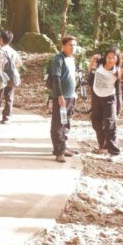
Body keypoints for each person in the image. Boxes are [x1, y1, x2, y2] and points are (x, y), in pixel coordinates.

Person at [87, 47, 123, 156]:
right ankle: (103, 146)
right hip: (96, 97)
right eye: (108, 57)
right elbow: (90, 71)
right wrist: (92, 61)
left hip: (109, 99)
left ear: (117, 60)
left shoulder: (117, 71)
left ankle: (114, 151)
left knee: (110, 124)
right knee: (96, 123)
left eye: (113, 58)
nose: (110, 60)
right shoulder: (99, 63)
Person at [49, 35, 78, 163]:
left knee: (66, 123)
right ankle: (59, 151)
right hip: (61, 97)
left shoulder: (71, 59)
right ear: (64, 46)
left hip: (71, 96)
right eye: (71, 45)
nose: (73, 47)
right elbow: (56, 78)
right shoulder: (58, 59)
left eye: (75, 45)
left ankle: (63, 147)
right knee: (58, 124)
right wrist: (60, 95)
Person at [0, 29, 22, 124]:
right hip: (12, 76)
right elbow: (20, 63)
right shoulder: (13, 51)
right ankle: (6, 118)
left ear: (1, 39)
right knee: (9, 97)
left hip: (1, 76)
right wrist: (12, 67)